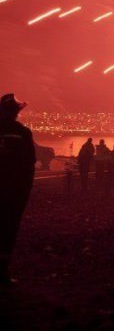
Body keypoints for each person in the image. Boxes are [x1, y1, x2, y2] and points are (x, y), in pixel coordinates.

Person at [0, 94, 36, 284]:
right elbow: (29, 165)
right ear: (16, 112)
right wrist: (24, 191)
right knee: (8, 230)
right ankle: (2, 272)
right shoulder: (23, 133)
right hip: (13, 192)